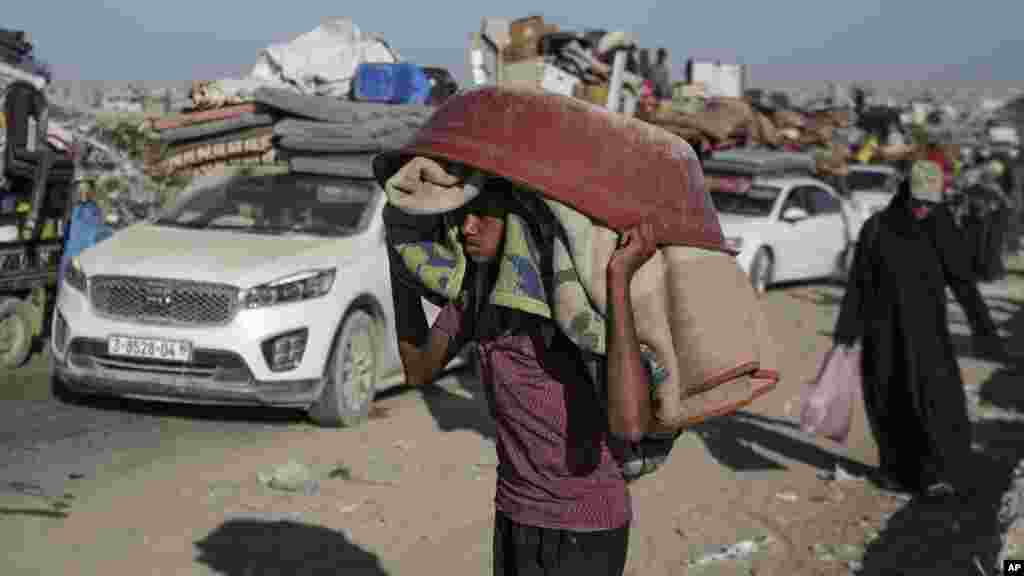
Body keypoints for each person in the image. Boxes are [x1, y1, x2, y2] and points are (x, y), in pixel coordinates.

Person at [384, 169, 657, 576]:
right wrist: (401, 268)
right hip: (515, 511)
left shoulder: (566, 304)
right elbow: (419, 370)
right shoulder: (477, 296)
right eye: (459, 217)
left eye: (482, 216)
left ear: (516, 221)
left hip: (585, 524)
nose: (466, 228)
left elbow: (630, 424)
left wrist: (618, 279)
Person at [834, 160, 1004, 498]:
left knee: (937, 404)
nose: (923, 209)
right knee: (888, 402)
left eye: (930, 202)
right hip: (883, 336)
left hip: (928, 336)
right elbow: (859, 285)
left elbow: (963, 284)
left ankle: (939, 474)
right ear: (904, 193)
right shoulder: (877, 229)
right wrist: (846, 333)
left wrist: (983, 329)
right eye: (918, 201)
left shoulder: (942, 229)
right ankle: (896, 472)